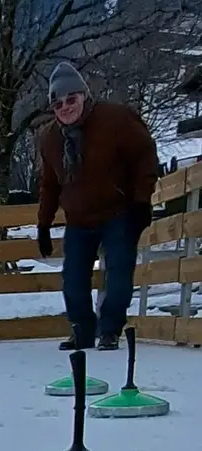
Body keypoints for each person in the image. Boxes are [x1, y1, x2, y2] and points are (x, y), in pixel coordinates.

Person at [36, 62, 160, 351]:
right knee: (73, 279)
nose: (65, 108)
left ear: (83, 96)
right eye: (58, 104)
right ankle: (81, 330)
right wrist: (43, 223)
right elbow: (50, 183)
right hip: (79, 218)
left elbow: (145, 155)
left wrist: (142, 200)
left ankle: (110, 330)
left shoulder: (115, 119)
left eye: (71, 100)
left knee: (118, 273)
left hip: (118, 212)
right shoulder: (50, 138)